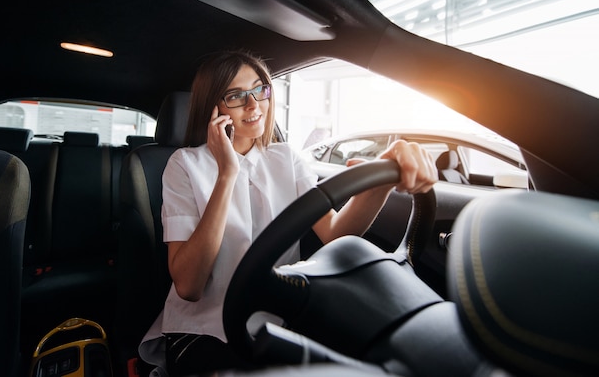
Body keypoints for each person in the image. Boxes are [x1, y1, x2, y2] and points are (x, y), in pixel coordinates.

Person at [139, 50, 437, 376]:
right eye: (236, 96)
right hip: (203, 329)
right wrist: (227, 173)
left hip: (280, 320)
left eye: (260, 90)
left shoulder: (287, 158)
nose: (254, 106)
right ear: (214, 107)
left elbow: (335, 233)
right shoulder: (184, 165)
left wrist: (381, 180)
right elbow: (189, 286)